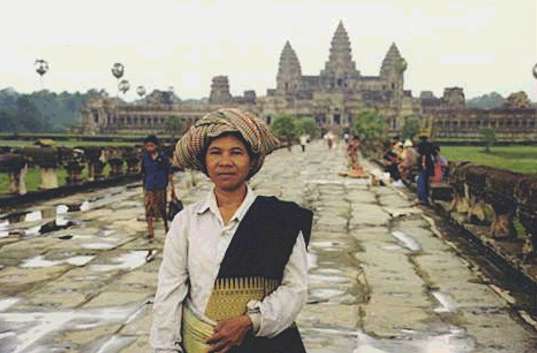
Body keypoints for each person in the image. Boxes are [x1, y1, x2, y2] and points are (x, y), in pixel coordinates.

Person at [151, 108, 313, 353]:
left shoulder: (281, 219)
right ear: (205, 162)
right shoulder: (186, 222)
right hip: (201, 344)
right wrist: (165, 348)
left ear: (251, 161)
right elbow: (169, 293)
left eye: (236, 153)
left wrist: (250, 321)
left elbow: (295, 290)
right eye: (215, 153)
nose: (225, 162)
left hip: (265, 345)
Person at [141, 135, 175, 241]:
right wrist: (144, 187)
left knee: (162, 207)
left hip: (160, 185)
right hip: (149, 186)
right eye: (147, 146)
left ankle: (166, 227)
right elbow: (143, 173)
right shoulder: (145, 158)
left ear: (156, 146)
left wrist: (173, 188)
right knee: (149, 208)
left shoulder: (163, 158)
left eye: (151, 145)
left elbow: (169, 173)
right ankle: (150, 231)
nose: (149, 148)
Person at [415, 132, 434, 205]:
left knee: (421, 182)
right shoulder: (430, 144)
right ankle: (426, 198)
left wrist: (423, 164)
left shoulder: (421, 145)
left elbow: (423, 155)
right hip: (430, 164)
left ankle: (422, 198)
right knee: (426, 182)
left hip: (424, 165)